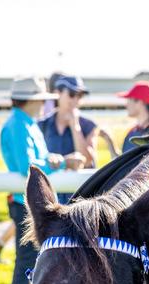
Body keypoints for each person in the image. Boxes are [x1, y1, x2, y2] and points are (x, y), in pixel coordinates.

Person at [0, 76, 84, 284]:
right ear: (32, 100)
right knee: (27, 260)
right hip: (24, 203)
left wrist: (57, 160)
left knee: (36, 259)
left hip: (31, 201)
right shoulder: (17, 125)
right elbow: (28, 167)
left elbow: (38, 160)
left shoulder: (26, 124)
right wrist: (59, 162)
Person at [38, 75, 98, 203]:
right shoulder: (41, 124)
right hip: (50, 195)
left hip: (79, 198)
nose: (76, 100)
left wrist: (75, 127)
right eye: (71, 94)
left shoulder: (89, 125)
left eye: (80, 95)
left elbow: (87, 161)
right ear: (57, 93)